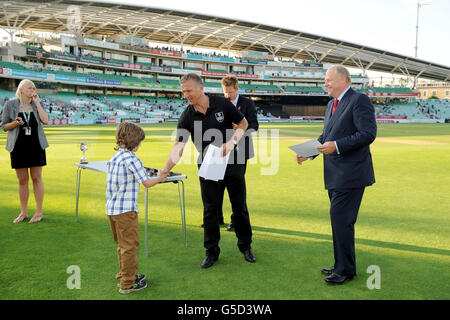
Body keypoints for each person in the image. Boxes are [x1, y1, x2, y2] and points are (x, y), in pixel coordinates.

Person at [160, 73, 255, 269]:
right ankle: (211, 252)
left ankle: (246, 246)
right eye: (183, 91)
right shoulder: (187, 115)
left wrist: (232, 142)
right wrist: (165, 170)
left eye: (189, 90)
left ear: (200, 88)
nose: (186, 94)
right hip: (208, 166)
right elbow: (179, 146)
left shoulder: (222, 104)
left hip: (233, 161)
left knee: (239, 207)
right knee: (210, 210)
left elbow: (244, 124)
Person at [296, 65, 377, 285]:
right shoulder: (332, 104)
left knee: (341, 220)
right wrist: (308, 153)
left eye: (329, 80)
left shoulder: (359, 100)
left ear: (344, 80)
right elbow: (326, 136)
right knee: (339, 221)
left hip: (351, 175)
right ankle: (340, 264)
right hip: (334, 174)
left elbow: (368, 134)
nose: (325, 84)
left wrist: (338, 146)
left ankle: (345, 270)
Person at [106, 122, 166, 294]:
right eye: (140, 141)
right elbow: (147, 182)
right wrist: (160, 177)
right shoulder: (132, 159)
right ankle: (127, 283)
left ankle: (125, 274)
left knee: (122, 245)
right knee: (130, 246)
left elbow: (107, 183)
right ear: (134, 141)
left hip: (112, 209)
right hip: (126, 211)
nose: (140, 144)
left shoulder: (114, 158)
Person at [2, 79, 49, 224]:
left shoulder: (36, 104)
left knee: (37, 178)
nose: (33, 91)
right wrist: (16, 123)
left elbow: (45, 120)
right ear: (21, 90)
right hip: (18, 147)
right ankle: (23, 212)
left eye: (34, 88)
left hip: (36, 146)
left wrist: (38, 103)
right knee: (22, 181)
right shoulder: (10, 104)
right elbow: (4, 126)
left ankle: (39, 212)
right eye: (30, 88)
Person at [220, 76, 259, 232]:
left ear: (237, 88)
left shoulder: (247, 104)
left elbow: (254, 125)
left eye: (230, 92)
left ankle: (236, 221)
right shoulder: (221, 103)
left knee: (236, 188)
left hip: (241, 151)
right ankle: (216, 217)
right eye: (225, 92)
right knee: (218, 185)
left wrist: (240, 128)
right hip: (222, 149)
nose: (227, 95)